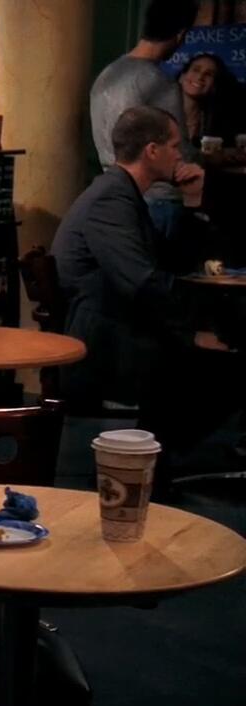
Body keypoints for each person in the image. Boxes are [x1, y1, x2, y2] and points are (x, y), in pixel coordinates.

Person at [52, 106, 242, 487]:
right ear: (152, 151)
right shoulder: (111, 199)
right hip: (107, 341)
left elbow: (167, 263)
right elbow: (141, 283)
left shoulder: (124, 194)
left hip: (125, 327)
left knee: (227, 347)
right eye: (174, 145)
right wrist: (192, 332)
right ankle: (173, 464)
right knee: (227, 363)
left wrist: (192, 203)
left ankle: (168, 461)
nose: (180, 154)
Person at [90, 0, 199, 237]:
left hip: (117, 195)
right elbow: (181, 153)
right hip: (158, 200)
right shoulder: (160, 82)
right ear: (181, 35)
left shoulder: (106, 75)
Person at [178, 52, 246, 147]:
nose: (200, 77)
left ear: (214, 86)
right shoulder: (161, 112)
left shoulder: (222, 122)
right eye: (196, 70)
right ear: (182, 76)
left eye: (209, 74)